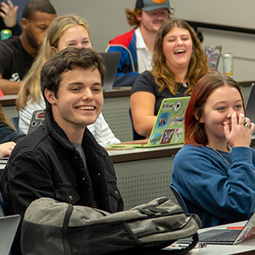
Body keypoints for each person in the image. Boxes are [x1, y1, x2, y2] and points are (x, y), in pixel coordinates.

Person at [1, 47, 124, 255]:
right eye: (76, 89)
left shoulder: (99, 155)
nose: (89, 96)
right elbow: (40, 240)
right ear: (50, 95)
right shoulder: (31, 157)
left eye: (96, 89)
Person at [16, 14, 120, 146]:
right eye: (71, 44)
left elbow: (109, 142)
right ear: (54, 51)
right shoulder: (37, 96)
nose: (80, 48)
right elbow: (39, 149)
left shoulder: (89, 95)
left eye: (85, 42)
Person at [172, 73, 255, 228]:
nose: (233, 115)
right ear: (199, 115)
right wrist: (241, 148)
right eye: (221, 108)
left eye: (238, 106)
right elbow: (240, 206)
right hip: (221, 247)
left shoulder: (246, 154)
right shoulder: (189, 159)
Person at [130, 18, 209, 138]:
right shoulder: (146, 80)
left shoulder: (207, 80)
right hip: (162, 152)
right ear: (161, 49)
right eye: (171, 40)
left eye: (185, 39)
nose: (179, 43)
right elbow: (142, 125)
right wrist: (195, 121)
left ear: (193, 47)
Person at [106, 0, 171, 87]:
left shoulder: (175, 44)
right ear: (139, 15)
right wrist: (146, 78)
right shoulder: (121, 45)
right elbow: (106, 78)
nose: (159, 18)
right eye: (153, 13)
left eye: (163, 13)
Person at [0, 0, 56, 95]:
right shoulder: (5, 50)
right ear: (25, 23)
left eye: (51, 29)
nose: (47, 35)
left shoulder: (53, 53)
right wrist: (36, 88)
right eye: (42, 28)